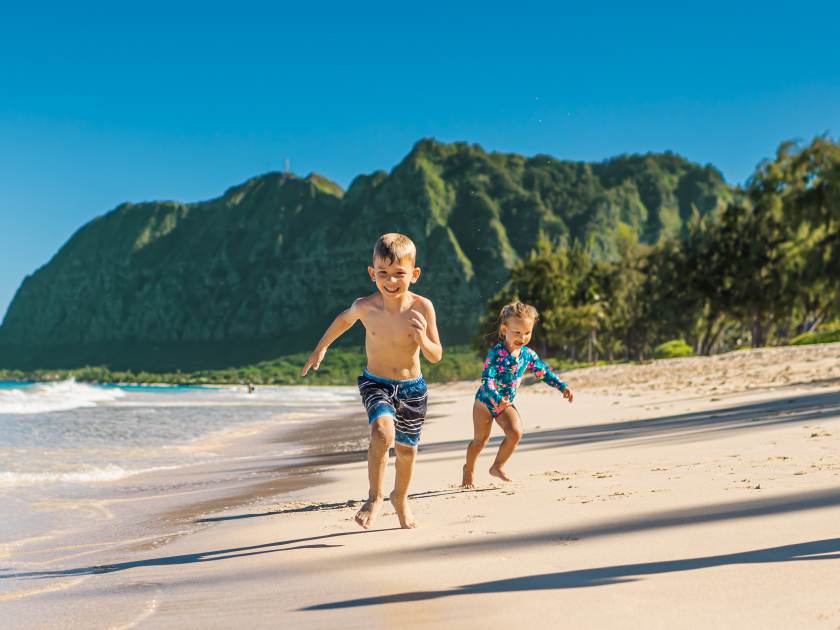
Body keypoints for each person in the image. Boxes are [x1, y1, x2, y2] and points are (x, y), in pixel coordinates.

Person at [301, 233, 443, 529]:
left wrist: (422, 339)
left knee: (406, 451)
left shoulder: (422, 308)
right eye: (384, 274)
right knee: (382, 432)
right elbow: (344, 319)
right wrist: (321, 347)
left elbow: (436, 355)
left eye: (399, 274)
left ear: (414, 275)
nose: (391, 281)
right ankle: (375, 496)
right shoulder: (365, 306)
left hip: (412, 389)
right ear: (372, 273)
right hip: (375, 383)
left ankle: (400, 497)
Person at [461, 302, 573, 488]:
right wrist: (497, 398)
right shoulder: (496, 353)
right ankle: (469, 470)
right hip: (485, 401)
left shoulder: (528, 355)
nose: (522, 337)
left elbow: (543, 372)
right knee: (480, 441)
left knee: (515, 432)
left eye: (527, 333)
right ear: (505, 329)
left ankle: (497, 466)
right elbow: (487, 380)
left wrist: (562, 386)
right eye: (517, 333)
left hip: (505, 404)